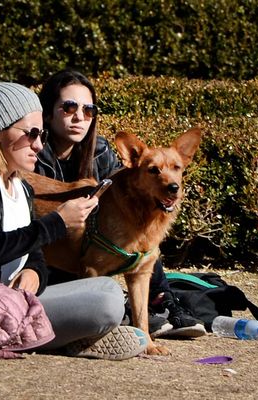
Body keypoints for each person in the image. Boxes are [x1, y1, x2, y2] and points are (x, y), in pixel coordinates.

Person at [0, 81, 148, 361]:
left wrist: (33, 273)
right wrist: (57, 222)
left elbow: (35, 257)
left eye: (40, 134)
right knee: (106, 304)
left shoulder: (20, 186)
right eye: (30, 134)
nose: (39, 145)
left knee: (109, 290)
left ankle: (56, 336)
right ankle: (57, 339)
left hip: (14, 301)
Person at [35, 69, 206, 338]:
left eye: (89, 110)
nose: (80, 116)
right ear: (47, 112)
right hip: (46, 260)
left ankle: (162, 305)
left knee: (144, 245)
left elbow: (129, 186)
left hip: (96, 251)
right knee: (127, 246)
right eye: (69, 107)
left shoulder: (101, 150)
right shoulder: (30, 152)